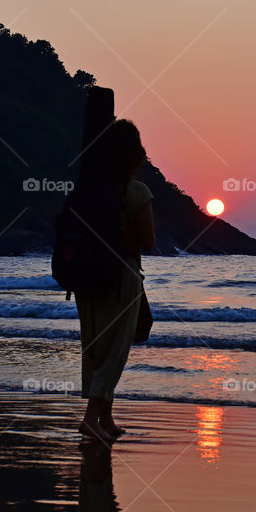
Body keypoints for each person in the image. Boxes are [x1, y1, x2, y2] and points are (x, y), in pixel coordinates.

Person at [76, 119, 155, 443]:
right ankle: (90, 419)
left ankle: (104, 419)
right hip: (121, 277)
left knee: (94, 345)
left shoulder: (88, 188)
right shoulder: (137, 192)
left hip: (85, 276)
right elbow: (148, 241)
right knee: (115, 350)